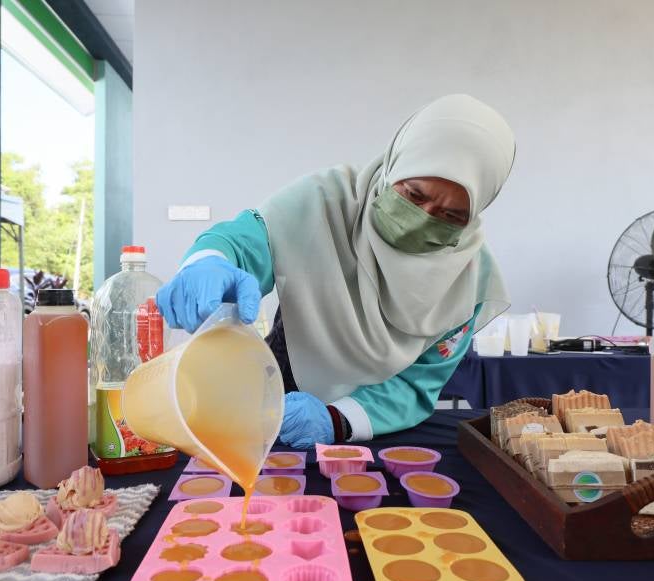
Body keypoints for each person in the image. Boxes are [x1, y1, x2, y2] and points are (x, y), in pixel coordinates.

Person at [157, 94, 514, 448]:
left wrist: (338, 420)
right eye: (413, 195)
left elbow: (416, 385)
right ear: (394, 167)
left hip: (372, 425)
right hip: (280, 399)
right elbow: (247, 242)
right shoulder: (326, 203)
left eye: (450, 216)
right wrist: (208, 260)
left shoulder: (470, 280)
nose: (421, 220)